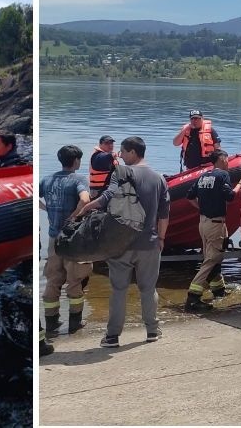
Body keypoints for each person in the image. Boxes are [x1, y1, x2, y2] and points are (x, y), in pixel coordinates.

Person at [80, 136, 169, 348]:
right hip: (149, 243)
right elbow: (164, 214)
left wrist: (86, 208)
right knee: (148, 289)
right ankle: (152, 331)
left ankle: (112, 336)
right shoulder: (159, 179)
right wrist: (162, 238)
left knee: (118, 290)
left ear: (132, 152)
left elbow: (108, 196)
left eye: (122, 151)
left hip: (120, 244)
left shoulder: (121, 172)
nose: (119, 155)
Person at [39, 145, 92, 336]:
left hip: (54, 237)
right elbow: (85, 200)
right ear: (76, 161)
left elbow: (31, 197)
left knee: (53, 279)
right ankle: (74, 323)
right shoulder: (78, 179)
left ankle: (51, 325)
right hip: (73, 239)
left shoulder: (47, 180)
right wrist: (75, 216)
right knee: (75, 279)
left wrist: (46, 209)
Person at [184, 150, 241, 311]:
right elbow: (230, 196)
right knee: (212, 259)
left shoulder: (204, 176)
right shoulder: (222, 176)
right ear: (222, 159)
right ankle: (193, 297)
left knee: (213, 256)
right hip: (215, 223)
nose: (227, 162)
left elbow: (190, 197)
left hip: (203, 222)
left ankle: (218, 290)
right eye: (226, 159)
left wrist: (203, 209)